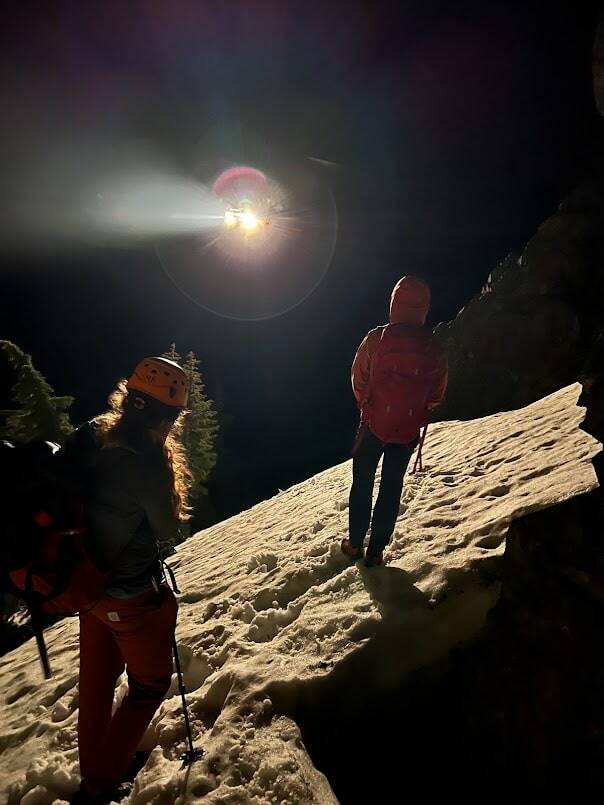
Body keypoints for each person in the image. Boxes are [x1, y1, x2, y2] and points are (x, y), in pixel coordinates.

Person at [68, 357, 191, 803]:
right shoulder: (148, 462)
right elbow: (166, 526)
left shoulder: (92, 434)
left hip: (86, 583)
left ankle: (95, 773)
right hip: (129, 592)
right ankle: (98, 787)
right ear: (169, 416)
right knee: (149, 684)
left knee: (97, 685)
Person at [342, 277, 448, 567]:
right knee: (391, 487)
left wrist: (367, 403)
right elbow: (437, 394)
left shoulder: (377, 338)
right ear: (424, 309)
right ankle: (376, 552)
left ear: (394, 304)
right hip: (407, 429)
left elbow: (358, 377)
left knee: (362, 482)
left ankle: (354, 543)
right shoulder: (433, 347)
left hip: (372, 423)